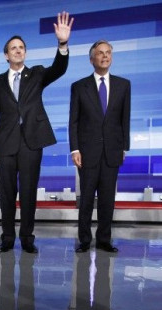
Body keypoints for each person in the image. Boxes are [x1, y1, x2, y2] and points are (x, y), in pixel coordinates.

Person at [0, 12, 74, 254]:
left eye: (21, 47)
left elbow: (59, 68)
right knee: (6, 193)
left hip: (32, 142)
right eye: (13, 48)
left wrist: (62, 44)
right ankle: (7, 237)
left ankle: (27, 238)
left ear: (25, 52)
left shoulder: (36, 74)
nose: (17, 51)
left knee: (28, 192)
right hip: (5, 143)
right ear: (6, 55)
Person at [69, 40, 131, 253]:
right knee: (86, 199)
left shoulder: (124, 85)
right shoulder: (79, 87)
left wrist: (124, 147)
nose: (105, 56)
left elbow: (125, 119)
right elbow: (74, 121)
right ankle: (84, 240)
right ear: (91, 59)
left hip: (112, 151)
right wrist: (75, 149)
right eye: (100, 53)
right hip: (87, 153)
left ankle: (104, 239)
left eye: (108, 53)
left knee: (107, 199)